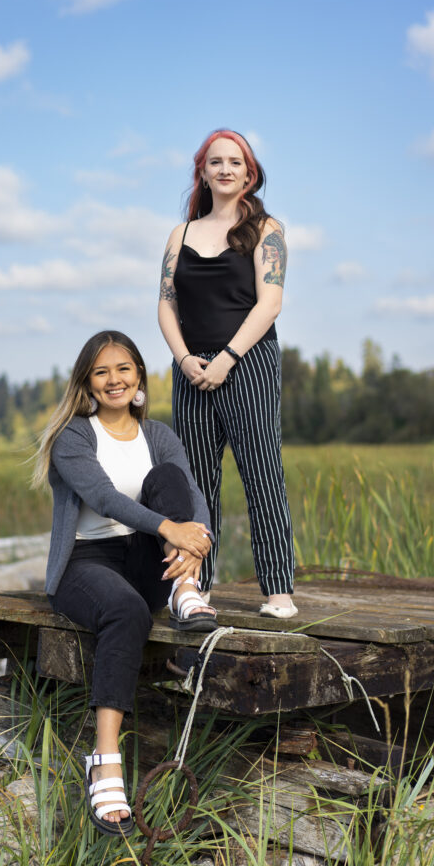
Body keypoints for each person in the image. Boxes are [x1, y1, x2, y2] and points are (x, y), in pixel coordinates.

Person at [32, 330, 216, 836]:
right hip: (86, 565)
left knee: (172, 482)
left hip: (149, 560)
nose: (114, 380)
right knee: (127, 611)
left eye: (123, 369)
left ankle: (185, 588)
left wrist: (195, 540)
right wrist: (170, 529)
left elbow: (191, 496)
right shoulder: (74, 436)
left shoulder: (157, 434)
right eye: (101, 371)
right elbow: (106, 498)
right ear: (87, 382)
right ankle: (105, 756)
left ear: (138, 376)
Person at [158, 128, 296, 619]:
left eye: (234, 162)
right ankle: (197, 585)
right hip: (191, 369)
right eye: (215, 162)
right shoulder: (182, 235)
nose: (224, 169)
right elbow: (166, 305)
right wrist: (183, 358)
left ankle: (278, 592)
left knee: (262, 473)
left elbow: (271, 303)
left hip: (249, 362)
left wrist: (228, 358)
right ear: (202, 171)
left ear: (249, 172)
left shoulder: (267, 229)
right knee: (195, 482)